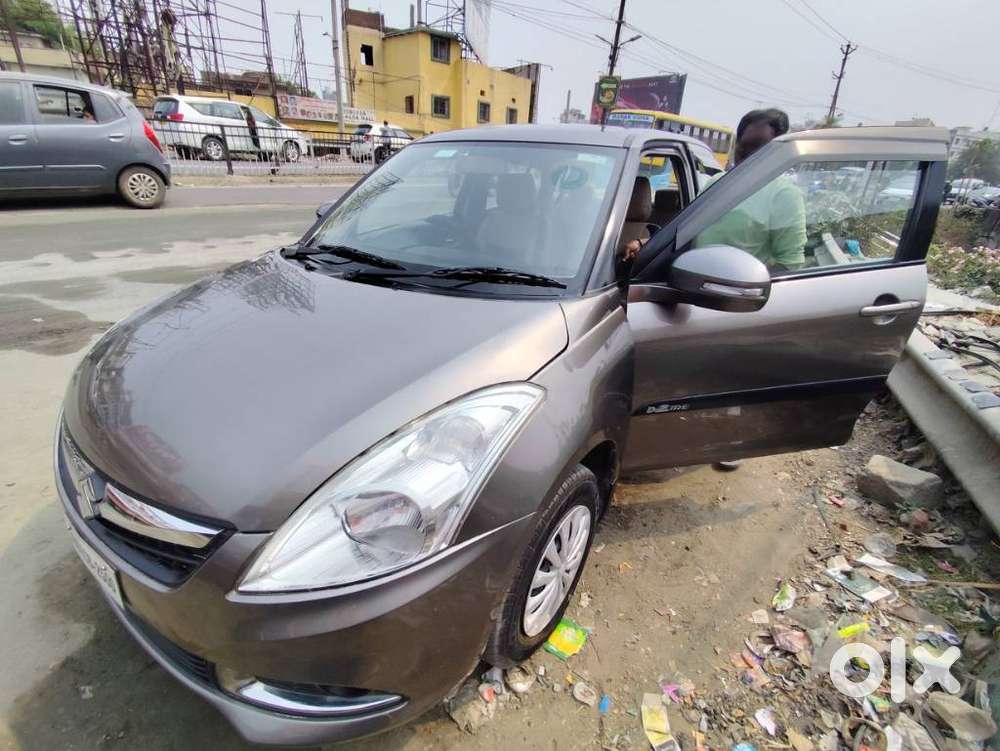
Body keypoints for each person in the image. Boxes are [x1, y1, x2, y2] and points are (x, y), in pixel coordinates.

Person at [694, 108, 806, 272]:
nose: (750, 156)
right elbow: (684, 238)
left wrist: (744, 282)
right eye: (744, 145)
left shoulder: (784, 194)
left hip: (738, 293)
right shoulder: (715, 183)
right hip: (692, 285)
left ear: (777, 152)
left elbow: (789, 263)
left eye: (760, 149)